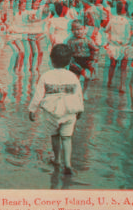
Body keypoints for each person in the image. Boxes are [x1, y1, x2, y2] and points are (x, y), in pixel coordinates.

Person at [28, 44, 84, 175]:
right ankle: (68, 164)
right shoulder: (72, 77)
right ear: (70, 61)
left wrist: (32, 109)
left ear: (51, 59)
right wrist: (80, 110)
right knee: (67, 137)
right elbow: (79, 95)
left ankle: (57, 159)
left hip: (51, 112)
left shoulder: (46, 76)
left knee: (54, 135)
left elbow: (38, 96)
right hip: (70, 111)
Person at [67, 20, 99, 99]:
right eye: (75, 29)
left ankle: (85, 92)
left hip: (87, 60)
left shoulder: (88, 39)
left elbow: (95, 49)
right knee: (75, 78)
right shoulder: (70, 41)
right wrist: (70, 62)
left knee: (87, 77)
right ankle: (75, 92)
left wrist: (94, 60)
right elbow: (68, 53)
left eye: (79, 29)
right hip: (75, 60)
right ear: (72, 31)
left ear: (84, 29)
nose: (77, 32)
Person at [104, 1, 131, 92]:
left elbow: (106, 30)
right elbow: (130, 34)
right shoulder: (128, 21)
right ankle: (122, 85)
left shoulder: (113, 19)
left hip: (113, 45)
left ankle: (109, 81)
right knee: (123, 67)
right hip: (124, 45)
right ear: (125, 10)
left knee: (112, 65)